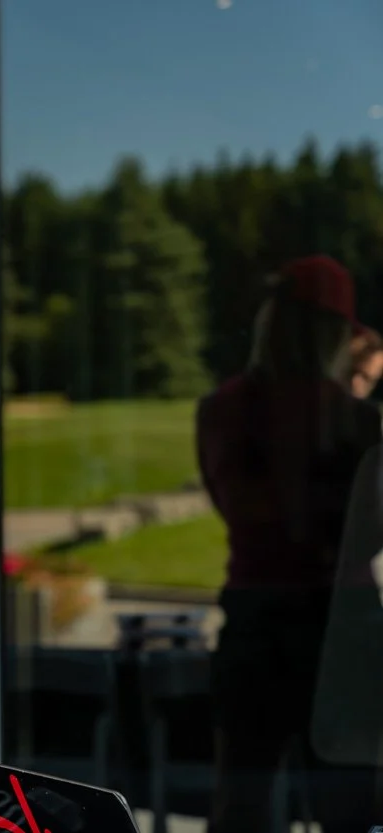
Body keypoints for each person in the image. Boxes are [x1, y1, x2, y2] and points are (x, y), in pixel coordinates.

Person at [195, 255, 382, 832]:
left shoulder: (219, 412)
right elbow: (370, 533)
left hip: (254, 620)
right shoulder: (356, 422)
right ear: (333, 335)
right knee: (350, 809)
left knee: (242, 803)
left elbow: (229, 505)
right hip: (339, 627)